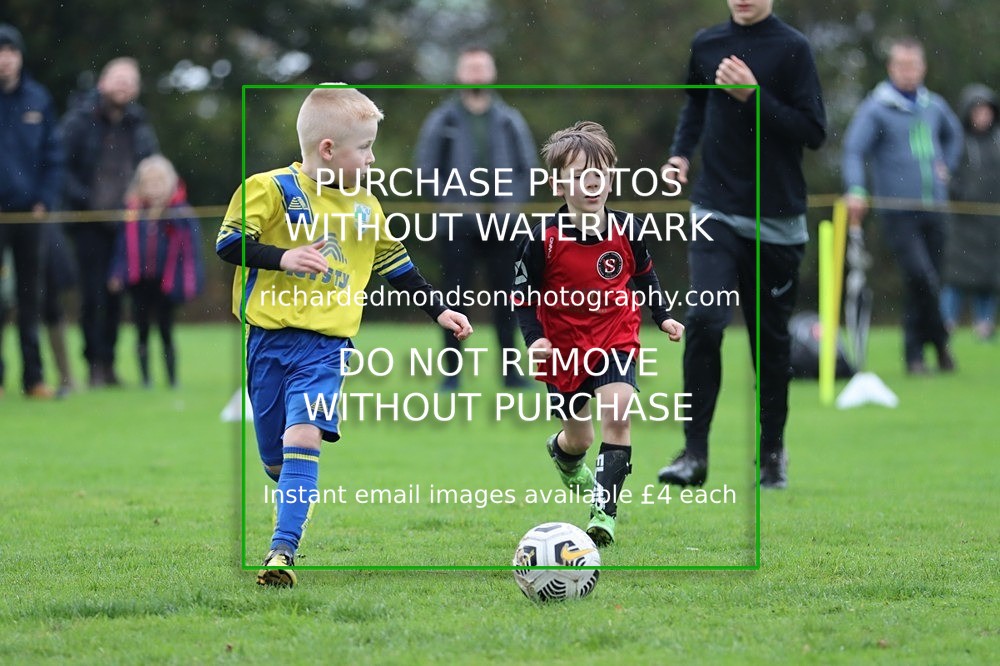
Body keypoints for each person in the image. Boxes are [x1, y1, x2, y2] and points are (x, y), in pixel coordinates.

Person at [216, 86, 473, 587]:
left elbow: (397, 267)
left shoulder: (366, 207)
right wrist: (283, 256)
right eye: (365, 147)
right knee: (276, 456)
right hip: (266, 344)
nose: (373, 158)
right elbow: (229, 243)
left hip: (326, 349)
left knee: (303, 435)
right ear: (328, 149)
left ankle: (281, 554)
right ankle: (291, 483)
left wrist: (440, 309)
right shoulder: (267, 189)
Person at [656, 0, 826, 489]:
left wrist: (755, 96)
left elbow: (813, 132)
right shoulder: (707, 44)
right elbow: (695, 105)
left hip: (777, 219)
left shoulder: (793, 49)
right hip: (715, 208)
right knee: (705, 321)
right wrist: (679, 156)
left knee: (770, 346)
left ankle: (771, 453)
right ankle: (693, 454)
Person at [513, 121, 684, 546]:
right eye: (580, 176)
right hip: (564, 346)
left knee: (619, 410)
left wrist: (662, 316)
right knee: (580, 438)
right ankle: (563, 453)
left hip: (615, 335)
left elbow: (646, 277)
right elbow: (522, 296)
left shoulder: (628, 230)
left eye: (600, 174)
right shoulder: (543, 240)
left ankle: (603, 513)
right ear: (558, 185)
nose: (592, 184)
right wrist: (535, 339)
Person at [415, 46, 538, 391]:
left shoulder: (510, 119)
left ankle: (511, 373)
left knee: (508, 300)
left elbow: (527, 170)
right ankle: (451, 375)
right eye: (470, 67)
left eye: (482, 67)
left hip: (505, 226)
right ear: (459, 74)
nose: (476, 73)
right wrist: (453, 203)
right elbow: (425, 169)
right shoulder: (443, 119)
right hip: (457, 226)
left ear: (492, 72)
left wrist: (509, 207)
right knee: (453, 300)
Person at [842, 38, 963, 374]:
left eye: (914, 65)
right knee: (920, 277)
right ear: (891, 68)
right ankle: (939, 342)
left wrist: (947, 167)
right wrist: (855, 188)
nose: (908, 72)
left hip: (935, 207)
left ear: (922, 68)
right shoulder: (876, 108)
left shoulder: (934, 105)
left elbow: (954, 136)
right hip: (897, 212)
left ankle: (916, 356)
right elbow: (853, 150)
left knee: (926, 282)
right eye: (902, 66)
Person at [61, 56, 159, 388]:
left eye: (130, 80)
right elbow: (60, 166)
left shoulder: (139, 124)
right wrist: (85, 202)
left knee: (118, 298)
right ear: (102, 82)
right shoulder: (78, 120)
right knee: (92, 297)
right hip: (89, 222)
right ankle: (94, 364)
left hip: (127, 226)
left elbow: (152, 168)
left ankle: (111, 363)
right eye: (118, 78)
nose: (123, 85)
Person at [0, 23, 64, 399]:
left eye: (10, 53)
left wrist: (45, 198)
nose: (5, 60)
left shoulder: (38, 99)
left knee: (30, 297)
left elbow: (53, 157)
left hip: (30, 214)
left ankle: (34, 379)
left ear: (19, 58)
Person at [109, 155, 204, 388]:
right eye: (148, 182)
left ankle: (172, 378)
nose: (153, 188)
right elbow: (122, 246)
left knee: (166, 329)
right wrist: (117, 272)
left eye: (158, 182)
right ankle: (145, 379)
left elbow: (189, 247)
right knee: (141, 330)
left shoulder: (179, 210)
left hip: (166, 281)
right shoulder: (132, 211)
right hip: (139, 280)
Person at [940, 84, 1000, 341]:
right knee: (955, 277)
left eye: (986, 111)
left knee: (989, 278)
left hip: (993, 224)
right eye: (977, 112)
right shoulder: (958, 141)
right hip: (963, 223)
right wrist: (958, 191)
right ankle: (945, 324)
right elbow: (947, 175)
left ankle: (985, 325)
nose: (982, 117)